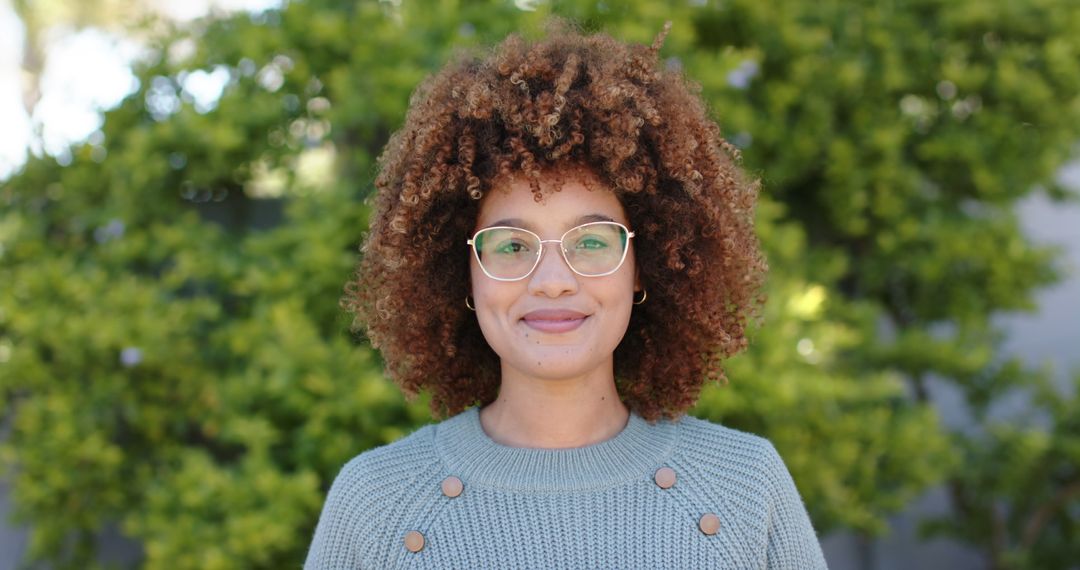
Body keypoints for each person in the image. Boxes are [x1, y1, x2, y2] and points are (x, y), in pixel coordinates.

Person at [304, 19, 828, 569]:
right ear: (464, 273)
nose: (552, 278)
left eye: (592, 241)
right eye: (511, 246)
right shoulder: (377, 503)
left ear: (643, 268)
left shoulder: (744, 487)